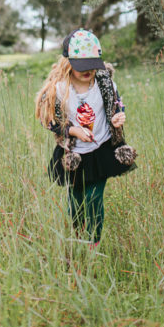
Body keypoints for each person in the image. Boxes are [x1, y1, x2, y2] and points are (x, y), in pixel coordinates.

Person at [35, 28, 136, 248]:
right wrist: (73, 131)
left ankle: (94, 242)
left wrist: (118, 116)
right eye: (82, 66)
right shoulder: (59, 90)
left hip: (102, 149)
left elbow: (117, 104)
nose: (88, 70)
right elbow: (48, 120)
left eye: (92, 64)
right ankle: (79, 235)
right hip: (73, 155)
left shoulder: (104, 83)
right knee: (76, 200)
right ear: (68, 62)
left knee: (94, 198)